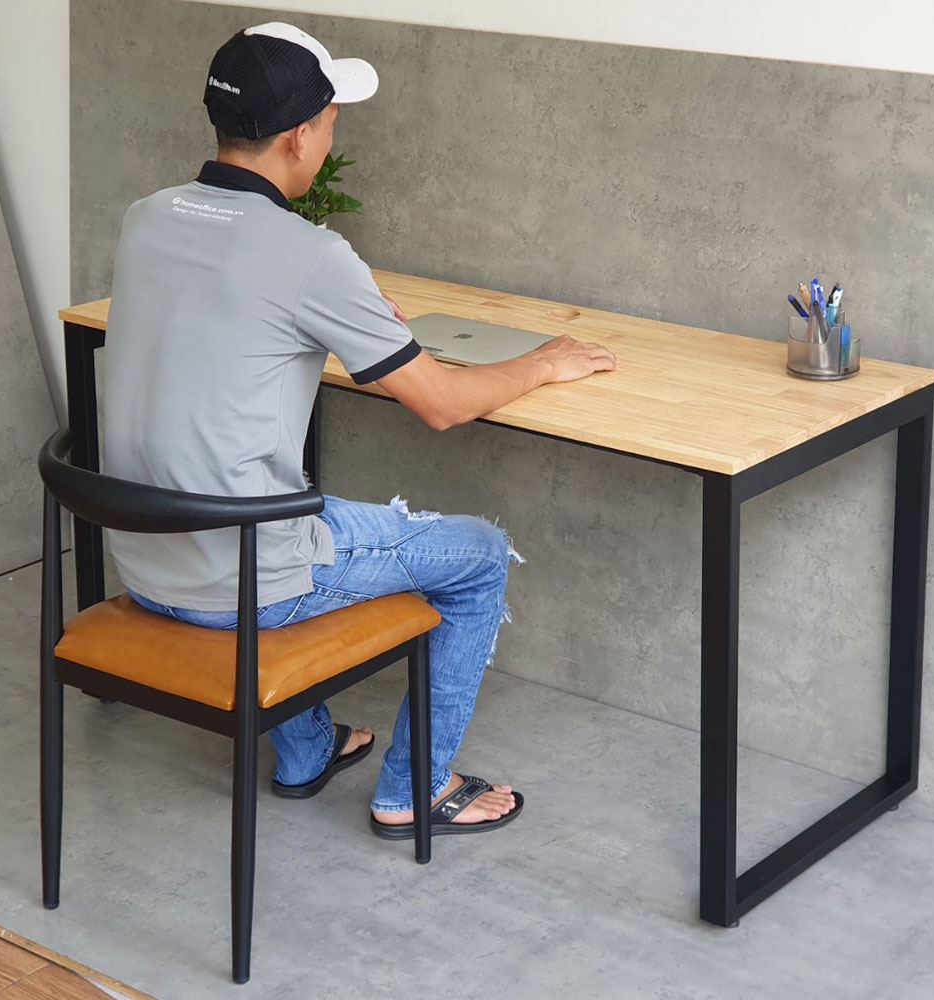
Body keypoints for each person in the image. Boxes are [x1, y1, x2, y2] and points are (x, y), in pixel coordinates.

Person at [102, 21, 617, 839]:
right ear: (299, 137)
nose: (331, 137)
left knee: (290, 500)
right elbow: (442, 404)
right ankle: (417, 790)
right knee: (480, 554)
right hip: (242, 580)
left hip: (146, 558)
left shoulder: (146, 217)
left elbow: (224, 312)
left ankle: (307, 750)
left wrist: (351, 314)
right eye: (332, 122)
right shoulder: (309, 253)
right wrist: (544, 363)